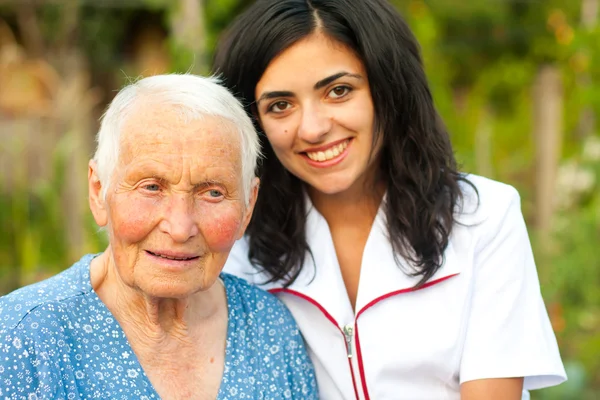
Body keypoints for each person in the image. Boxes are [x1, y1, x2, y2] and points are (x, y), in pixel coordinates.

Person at [212, 1, 567, 399]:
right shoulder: (237, 250)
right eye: (280, 106)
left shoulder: (484, 217)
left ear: (388, 88)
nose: (312, 128)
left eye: (339, 91)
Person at [0, 74, 318, 400]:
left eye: (212, 192)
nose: (180, 228)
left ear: (248, 207)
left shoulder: (271, 331)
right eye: (151, 187)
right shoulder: (20, 339)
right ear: (99, 192)